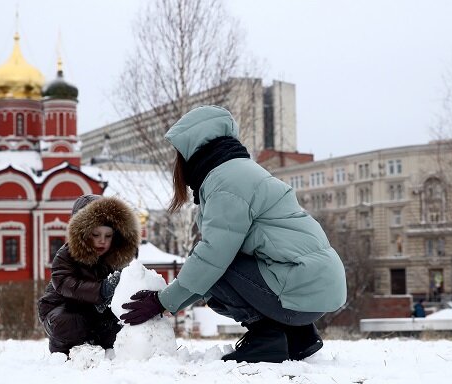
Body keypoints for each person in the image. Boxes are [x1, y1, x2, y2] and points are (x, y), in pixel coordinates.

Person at [120, 105, 347, 363]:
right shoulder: (237, 171)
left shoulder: (226, 182)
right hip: (314, 286)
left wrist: (161, 301)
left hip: (301, 284)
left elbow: (213, 258)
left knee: (215, 268)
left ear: (191, 149)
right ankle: (298, 336)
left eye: (178, 154)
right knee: (211, 276)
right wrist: (170, 302)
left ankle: (267, 338)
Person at [38, 194, 140, 355]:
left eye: (108, 236)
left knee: (121, 329)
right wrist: (101, 290)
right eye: (96, 234)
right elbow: (63, 281)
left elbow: (131, 283)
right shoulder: (67, 254)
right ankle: (62, 351)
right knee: (68, 324)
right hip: (66, 307)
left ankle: (101, 345)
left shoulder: (117, 257)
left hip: (99, 313)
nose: (102, 241)